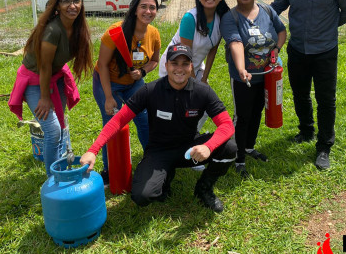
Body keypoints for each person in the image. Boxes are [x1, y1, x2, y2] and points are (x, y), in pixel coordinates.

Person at [81, 45, 237, 212]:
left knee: (230, 147)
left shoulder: (202, 91)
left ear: (191, 66)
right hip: (159, 151)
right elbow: (118, 120)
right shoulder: (150, 90)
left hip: (189, 149)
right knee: (142, 196)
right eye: (174, 63)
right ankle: (165, 175)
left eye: (185, 63)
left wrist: (208, 146)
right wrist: (93, 150)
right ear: (166, 66)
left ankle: (204, 188)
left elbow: (227, 125)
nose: (179, 68)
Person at [271, 0, 346, 170]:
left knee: (326, 99)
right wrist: (250, 16)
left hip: (325, 51)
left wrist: (328, 26)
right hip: (298, 50)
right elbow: (276, 8)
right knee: (300, 95)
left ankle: (323, 147)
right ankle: (307, 131)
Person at [9, 0, 93, 175]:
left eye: (76, 1)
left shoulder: (77, 27)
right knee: (53, 130)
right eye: (66, 1)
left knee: (60, 126)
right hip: (34, 80)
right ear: (56, 5)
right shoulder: (52, 30)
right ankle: (52, 177)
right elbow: (44, 66)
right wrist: (45, 98)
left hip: (56, 77)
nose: (72, 6)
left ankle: (59, 166)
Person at [220, 0, 287, 178]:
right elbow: (235, 43)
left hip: (267, 75)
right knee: (243, 116)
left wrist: (276, 48)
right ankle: (238, 157)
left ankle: (249, 147)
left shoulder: (267, 10)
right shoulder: (230, 17)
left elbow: (282, 31)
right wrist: (241, 69)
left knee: (258, 111)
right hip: (245, 78)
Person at [93, 0, 161, 184]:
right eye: (144, 7)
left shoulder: (154, 34)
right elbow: (103, 65)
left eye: (152, 8)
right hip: (108, 82)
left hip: (134, 82)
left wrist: (143, 72)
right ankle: (109, 170)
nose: (148, 11)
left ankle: (151, 161)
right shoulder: (115, 32)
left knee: (145, 120)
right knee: (112, 124)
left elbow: (154, 60)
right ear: (134, 9)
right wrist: (108, 97)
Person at [159, 0, 230, 131]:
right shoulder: (190, 18)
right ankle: (174, 138)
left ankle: (191, 135)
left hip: (197, 67)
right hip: (176, 67)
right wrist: (194, 84)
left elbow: (213, 50)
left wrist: (204, 79)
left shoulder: (221, 18)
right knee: (179, 106)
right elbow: (185, 57)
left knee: (204, 105)